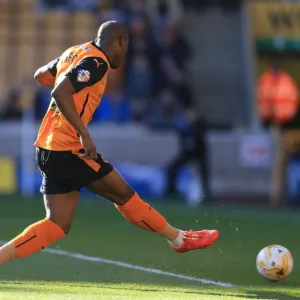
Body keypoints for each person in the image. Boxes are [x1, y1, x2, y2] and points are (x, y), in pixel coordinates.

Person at [0, 21, 219, 264]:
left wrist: (66, 74)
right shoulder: (97, 62)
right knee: (124, 195)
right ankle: (179, 239)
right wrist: (83, 133)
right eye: (125, 51)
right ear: (121, 42)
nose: (123, 57)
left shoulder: (75, 52)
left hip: (47, 147)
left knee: (57, 224)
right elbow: (59, 92)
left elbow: (41, 76)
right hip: (68, 147)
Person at [257, 61, 300, 206]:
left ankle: (278, 196)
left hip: (283, 128)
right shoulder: (283, 82)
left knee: (280, 163)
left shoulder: (270, 82)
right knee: (280, 163)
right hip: (281, 127)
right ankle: (278, 196)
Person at [167, 107, 211, 199]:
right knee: (171, 168)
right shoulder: (184, 128)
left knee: (204, 172)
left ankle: (207, 194)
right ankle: (171, 192)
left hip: (199, 154)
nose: (189, 117)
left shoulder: (200, 126)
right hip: (187, 154)